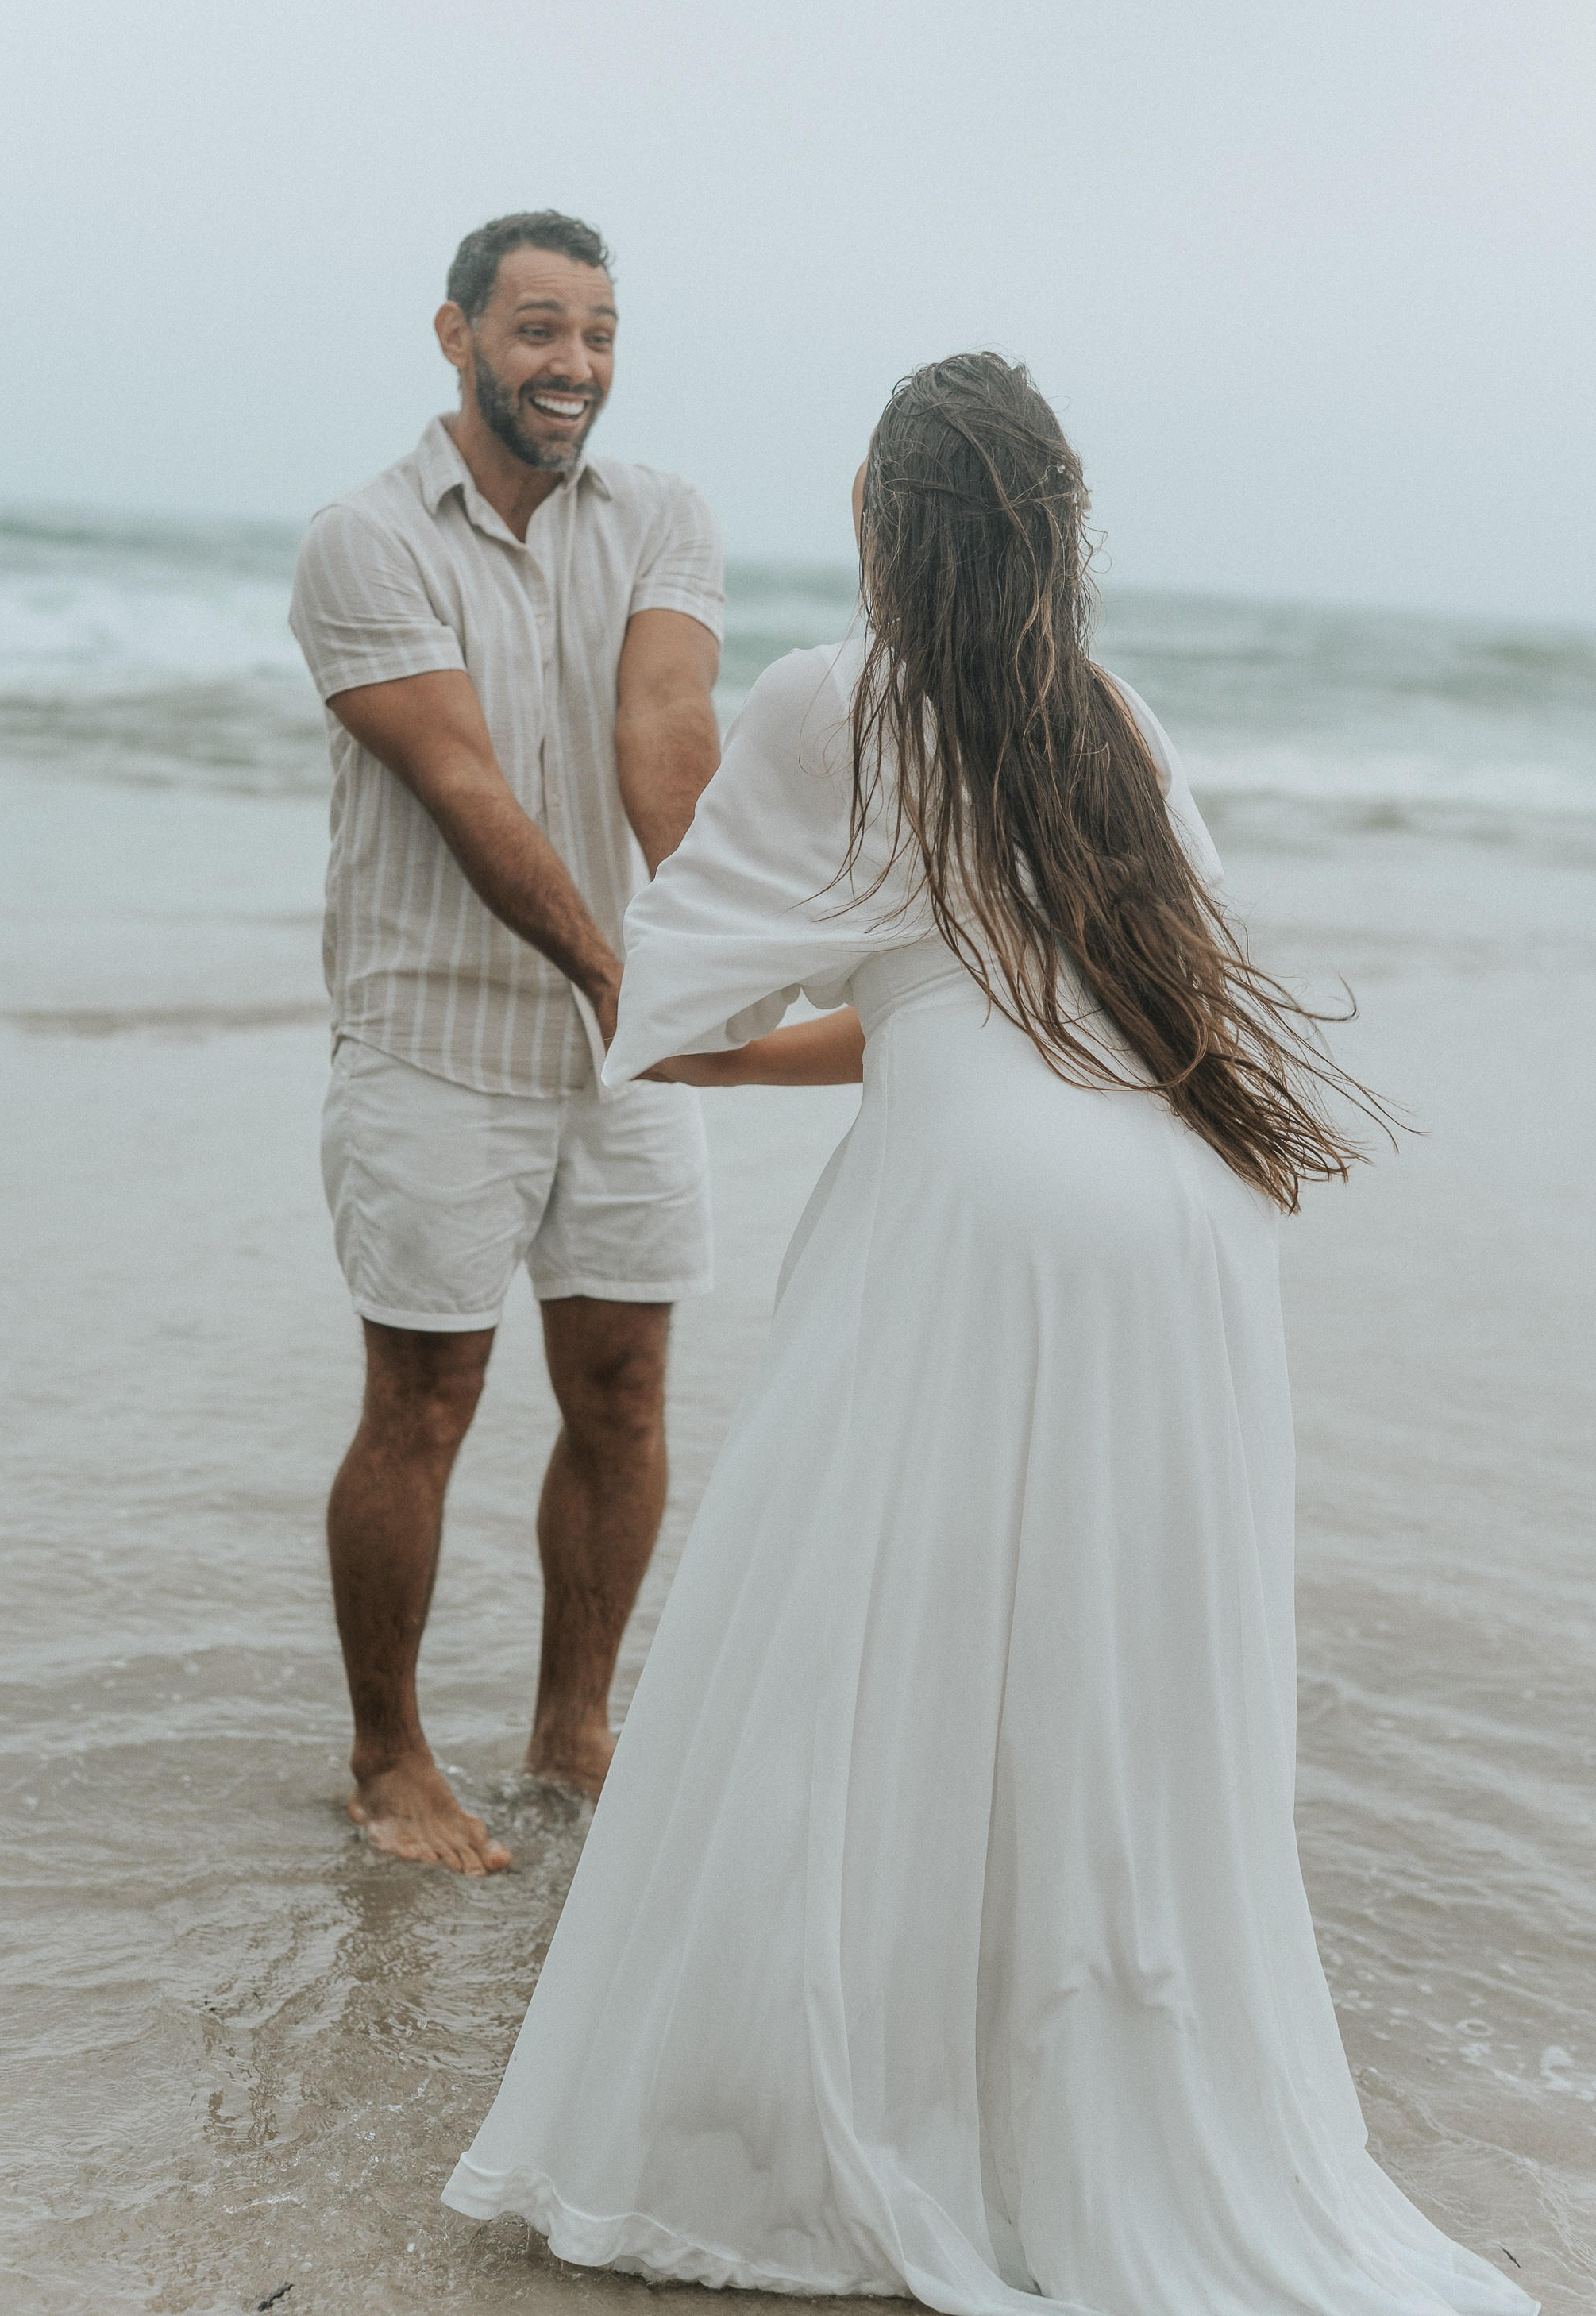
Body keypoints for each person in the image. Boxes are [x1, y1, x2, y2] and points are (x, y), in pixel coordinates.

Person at [441, 356, 1533, 2314]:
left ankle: (861, 2110)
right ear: (1054, 534)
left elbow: (679, 1013)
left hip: (981, 1212)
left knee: (865, 1649)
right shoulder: (1117, 721)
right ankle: (1089, 2113)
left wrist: (810, 1036)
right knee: (1107, 1683)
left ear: (882, 522)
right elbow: (1061, 1001)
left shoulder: (829, 694)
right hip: (1188, 1224)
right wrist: (916, 1030)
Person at [288, 210, 725, 1876]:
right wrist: (626, 977)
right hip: (434, 1037)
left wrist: (699, 960)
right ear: (455, 335)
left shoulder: (663, 515)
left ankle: (572, 1724)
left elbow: (663, 730)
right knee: (426, 1395)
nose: (575, 366)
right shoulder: (365, 538)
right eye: (539, 329)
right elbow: (463, 787)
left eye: (600, 333)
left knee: (621, 1389)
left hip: (625, 1035)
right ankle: (390, 1756)